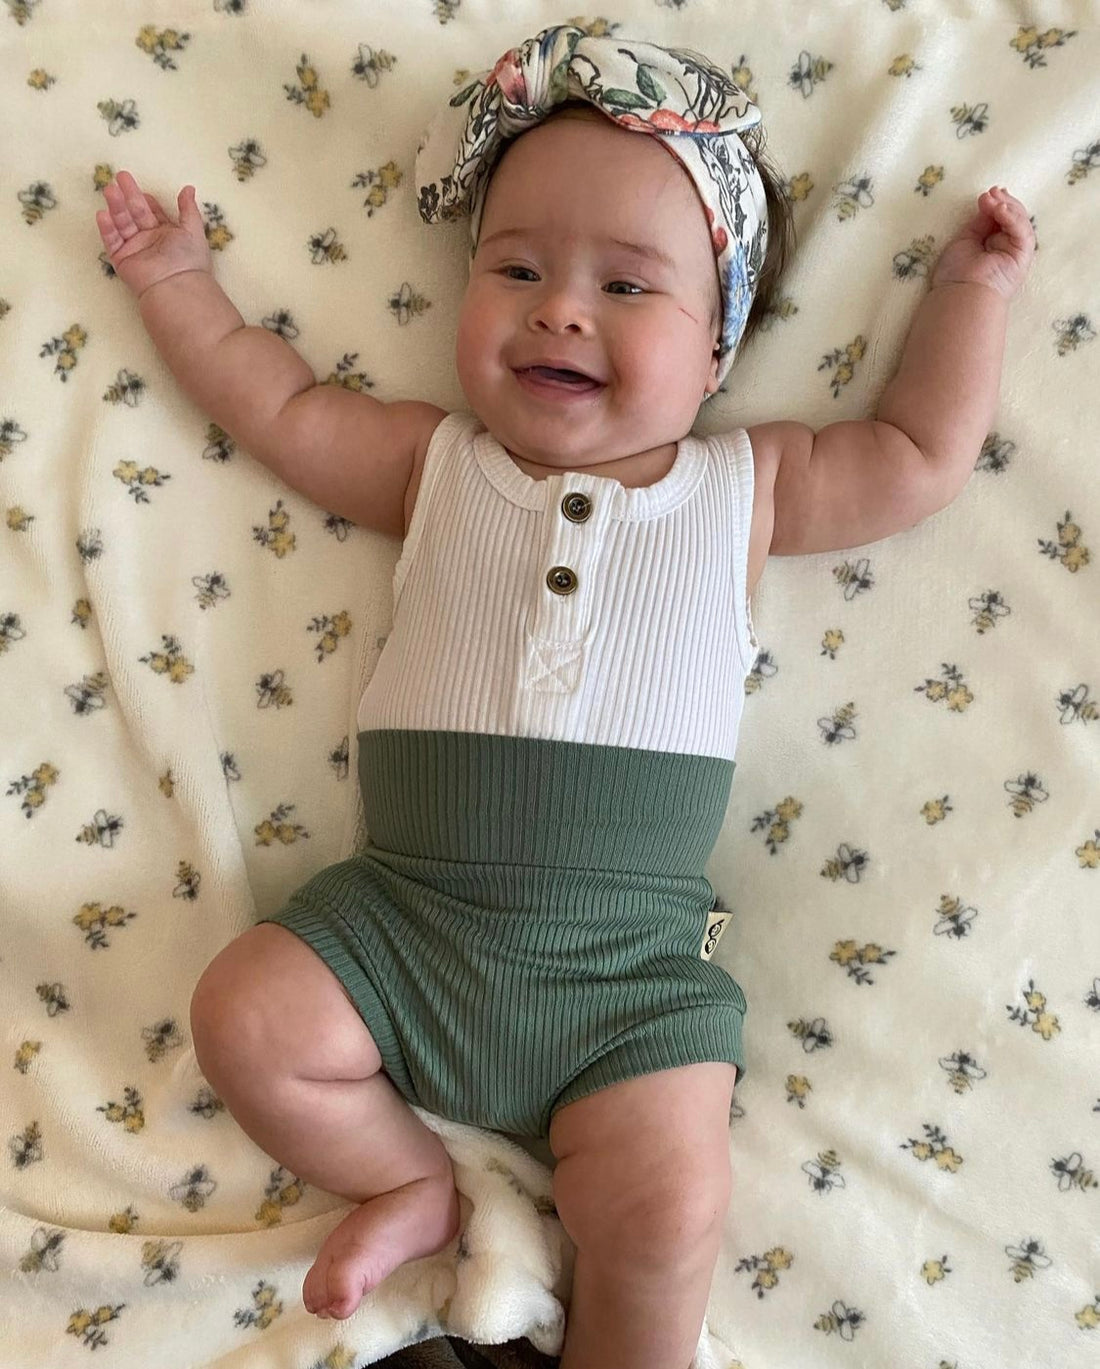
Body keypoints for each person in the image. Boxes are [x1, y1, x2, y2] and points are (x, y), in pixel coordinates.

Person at [94, 24, 1035, 1369]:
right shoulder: (437, 467)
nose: (559, 309)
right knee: (247, 1011)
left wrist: (971, 293)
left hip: (627, 980)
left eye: (626, 287)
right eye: (518, 268)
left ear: (718, 344)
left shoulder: (742, 491)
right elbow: (285, 407)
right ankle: (406, 1178)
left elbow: (916, 450)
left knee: (667, 1205)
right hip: (400, 927)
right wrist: (180, 281)